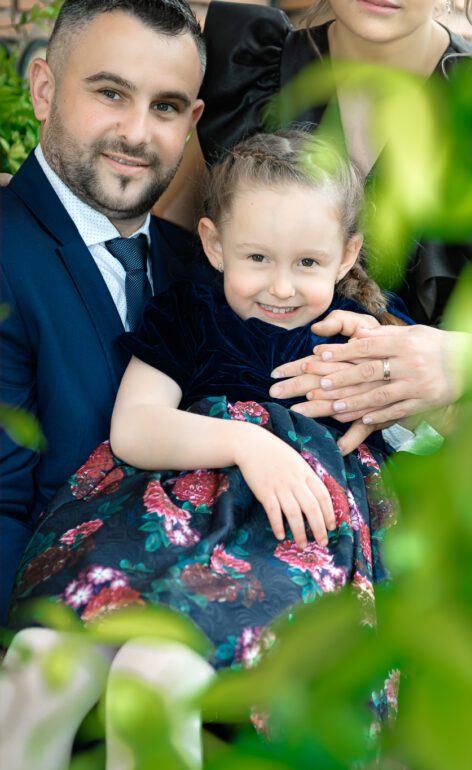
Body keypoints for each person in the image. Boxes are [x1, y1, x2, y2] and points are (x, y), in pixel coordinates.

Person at [2, 130, 404, 770]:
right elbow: (134, 428)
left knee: (155, 673)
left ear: (348, 252)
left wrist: (385, 362)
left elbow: (454, 426)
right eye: (257, 258)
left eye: (308, 262)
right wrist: (247, 443)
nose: (281, 287)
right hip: (148, 533)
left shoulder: (366, 340)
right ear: (214, 245)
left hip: (282, 551)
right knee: (36, 667)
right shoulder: (190, 314)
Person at [156, 0, 472, 451]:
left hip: (418, 458)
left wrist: (463, 361)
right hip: (221, 436)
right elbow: (162, 254)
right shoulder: (247, 67)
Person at [0, 0, 208, 622]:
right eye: (112, 93)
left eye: (165, 106)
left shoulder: (203, 268)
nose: (138, 134)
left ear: (193, 121)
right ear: (44, 89)